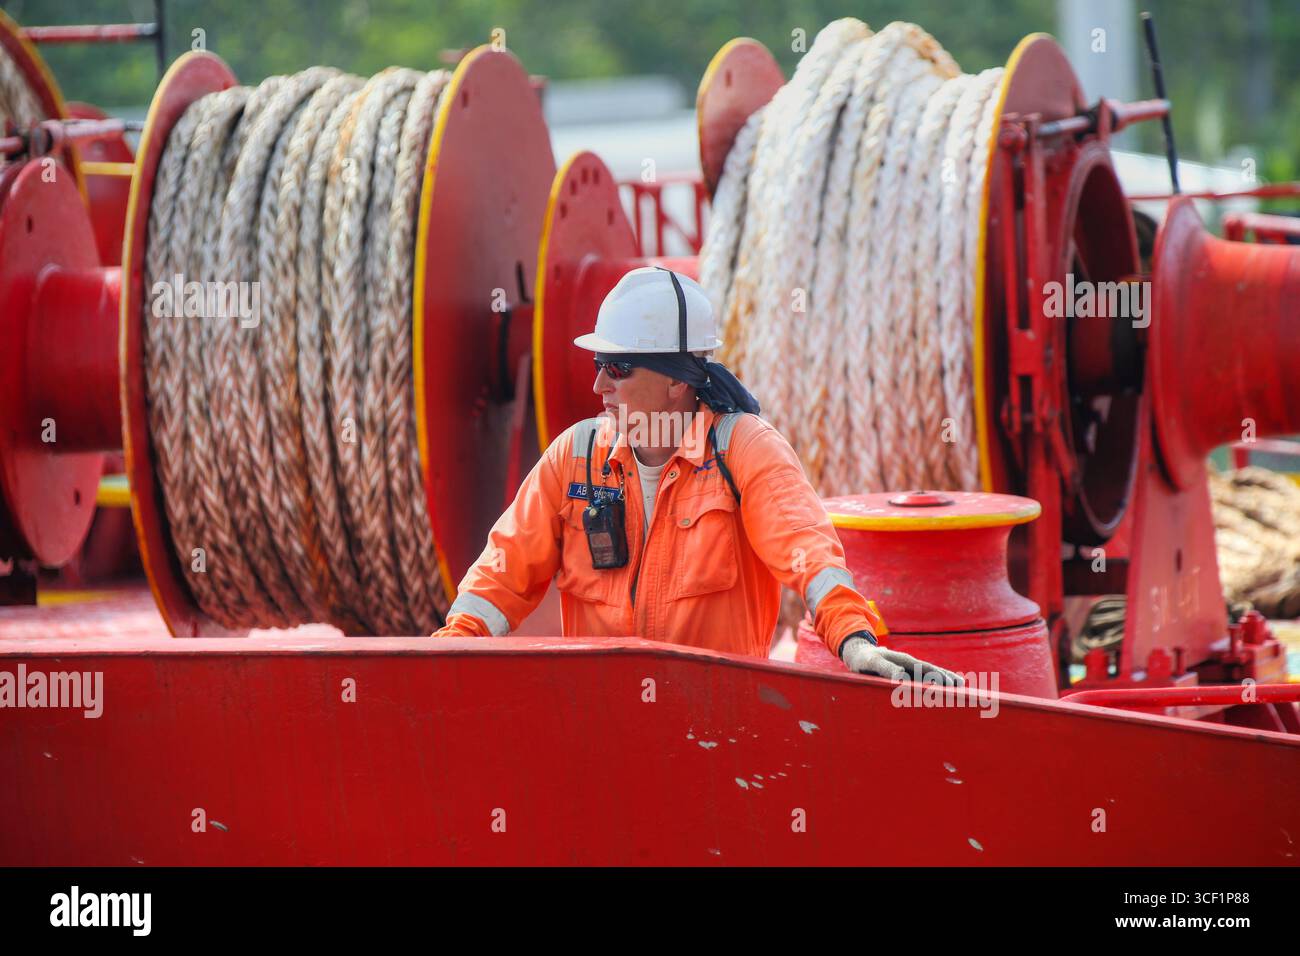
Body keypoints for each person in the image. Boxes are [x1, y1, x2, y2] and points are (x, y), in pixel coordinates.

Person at [433, 266, 960, 684]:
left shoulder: (744, 452)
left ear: (675, 381)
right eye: (598, 363)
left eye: (617, 368)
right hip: (603, 727)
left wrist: (854, 641)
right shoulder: (575, 458)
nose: (598, 386)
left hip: (718, 731)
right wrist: (451, 647)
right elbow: (501, 576)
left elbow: (811, 557)